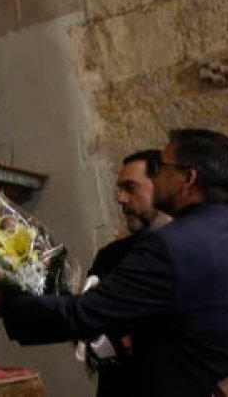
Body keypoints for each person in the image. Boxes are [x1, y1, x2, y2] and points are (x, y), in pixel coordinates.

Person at [0, 129, 228, 397]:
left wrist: (6, 305)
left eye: (163, 167)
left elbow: (85, 314)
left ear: (187, 179)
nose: (157, 175)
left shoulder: (171, 246)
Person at [79, 149, 170, 397]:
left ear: (161, 187)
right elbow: (86, 322)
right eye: (119, 189)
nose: (120, 198)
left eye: (130, 188)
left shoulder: (188, 254)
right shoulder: (109, 257)